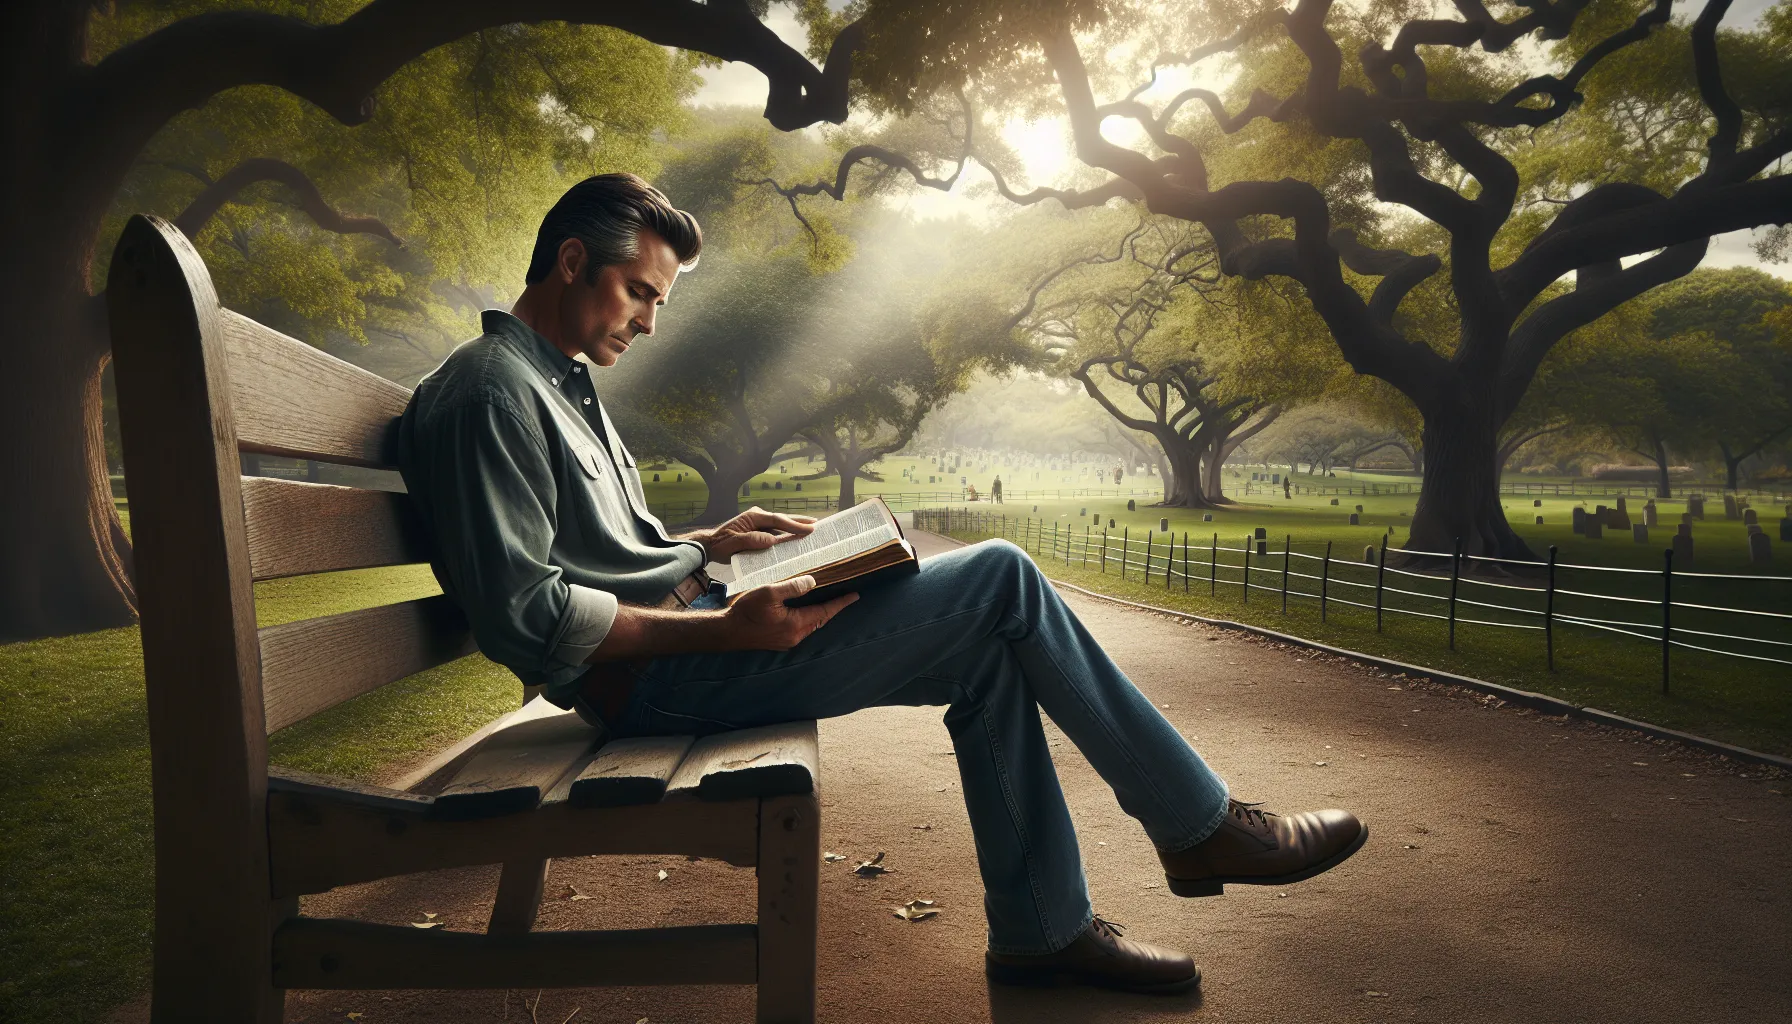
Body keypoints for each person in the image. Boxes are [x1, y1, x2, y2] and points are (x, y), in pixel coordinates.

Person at [398, 174, 1365, 996]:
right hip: (658, 679)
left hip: (688, 634)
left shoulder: (552, 380)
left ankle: (1044, 933)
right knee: (1002, 577)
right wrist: (726, 630)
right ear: (571, 262)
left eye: (660, 302)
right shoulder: (492, 392)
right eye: (639, 293)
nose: (650, 322)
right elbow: (525, 616)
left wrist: (705, 545)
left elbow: (598, 557)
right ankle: (1199, 827)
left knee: (989, 650)